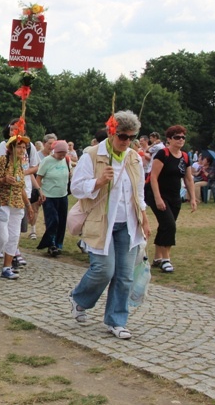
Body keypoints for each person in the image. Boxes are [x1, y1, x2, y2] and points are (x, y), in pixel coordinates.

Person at [69, 110, 150, 340]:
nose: (127, 141)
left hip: (128, 223)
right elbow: (75, 188)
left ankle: (116, 321)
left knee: (124, 275)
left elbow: (139, 191)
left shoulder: (133, 157)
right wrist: (98, 181)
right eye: (123, 136)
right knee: (104, 270)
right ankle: (79, 298)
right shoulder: (92, 155)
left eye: (131, 137)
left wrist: (144, 218)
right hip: (101, 222)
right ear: (111, 132)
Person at [0, 134, 33, 279]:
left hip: (17, 204)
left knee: (14, 237)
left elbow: (21, 186)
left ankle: (7, 267)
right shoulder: (1, 161)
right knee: (1, 237)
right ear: (10, 148)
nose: (22, 150)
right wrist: (3, 179)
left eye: (24, 147)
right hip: (2, 202)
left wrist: (28, 205)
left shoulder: (21, 164)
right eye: (19, 147)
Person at [146, 125, 196, 273]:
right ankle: (166, 259)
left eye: (183, 137)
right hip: (158, 194)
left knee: (165, 225)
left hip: (175, 196)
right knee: (170, 225)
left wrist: (192, 198)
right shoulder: (163, 154)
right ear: (169, 139)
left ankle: (157, 258)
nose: (180, 140)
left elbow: (188, 179)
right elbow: (153, 177)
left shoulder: (185, 157)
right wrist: (157, 198)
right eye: (177, 137)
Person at [35, 140, 70, 256]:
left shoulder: (66, 160)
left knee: (62, 221)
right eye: (60, 154)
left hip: (62, 195)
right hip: (49, 196)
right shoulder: (47, 161)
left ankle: (58, 244)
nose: (62, 156)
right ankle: (51, 244)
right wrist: (40, 193)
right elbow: (38, 178)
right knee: (53, 221)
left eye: (64, 154)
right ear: (55, 151)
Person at [28, 133, 57, 240]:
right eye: (50, 143)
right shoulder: (38, 155)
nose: (51, 146)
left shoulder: (56, 156)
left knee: (50, 211)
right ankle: (33, 230)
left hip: (51, 187)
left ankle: (49, 232)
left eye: (54, 143)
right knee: (35, 208)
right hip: (38, 185)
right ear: (44, 144)